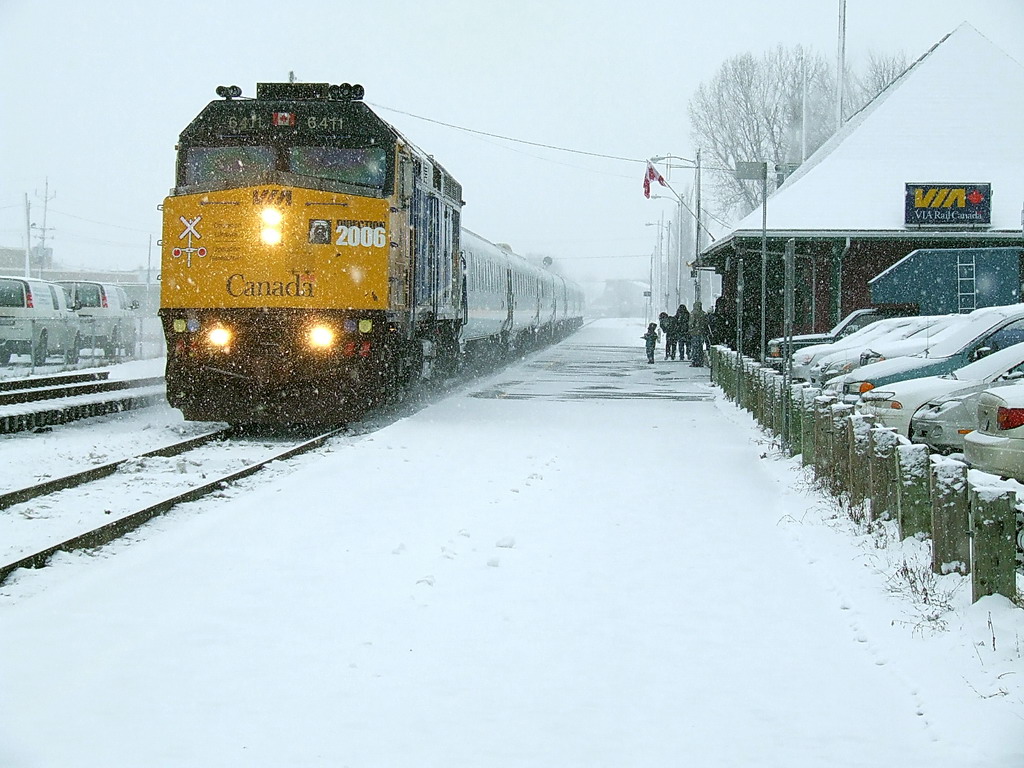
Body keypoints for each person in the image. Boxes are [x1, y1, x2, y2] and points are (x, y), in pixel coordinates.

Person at [689, 300, 707, 367]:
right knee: (700, 347)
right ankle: (700, 361)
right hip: (701, 332)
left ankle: (694, 361)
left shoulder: (693, 313)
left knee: (694, 347)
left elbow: (691, 323)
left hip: (695, 332)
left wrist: (691, 329)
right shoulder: (703, 313)